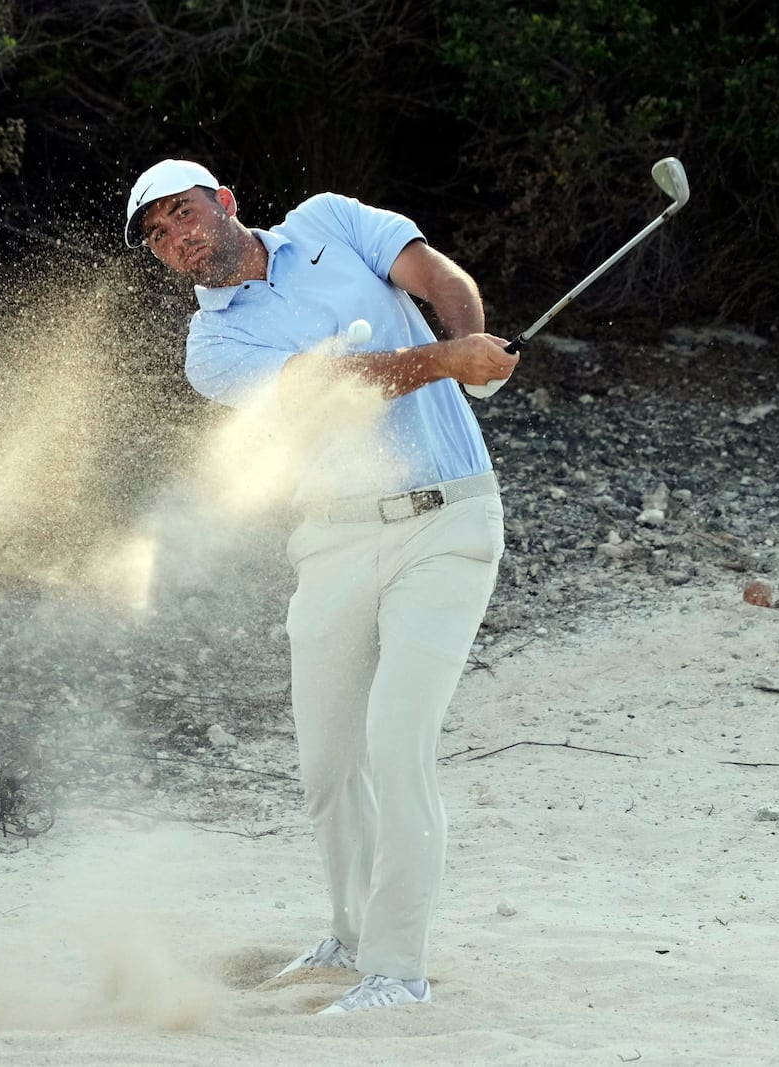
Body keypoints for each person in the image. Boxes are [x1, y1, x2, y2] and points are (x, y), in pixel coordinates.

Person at [125, 158, 517, 1015]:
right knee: (328, 762)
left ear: (225, 202)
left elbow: (436, 275)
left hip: (448, 521)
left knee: (396, 741)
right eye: (157, 235)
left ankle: (398, 969)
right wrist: (448, 359)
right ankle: (348, 932)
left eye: (184, 214)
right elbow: (324, 390)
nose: (176, 239)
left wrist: (471, 350)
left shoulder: (330, 221)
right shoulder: (213, 346)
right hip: (333, 542)